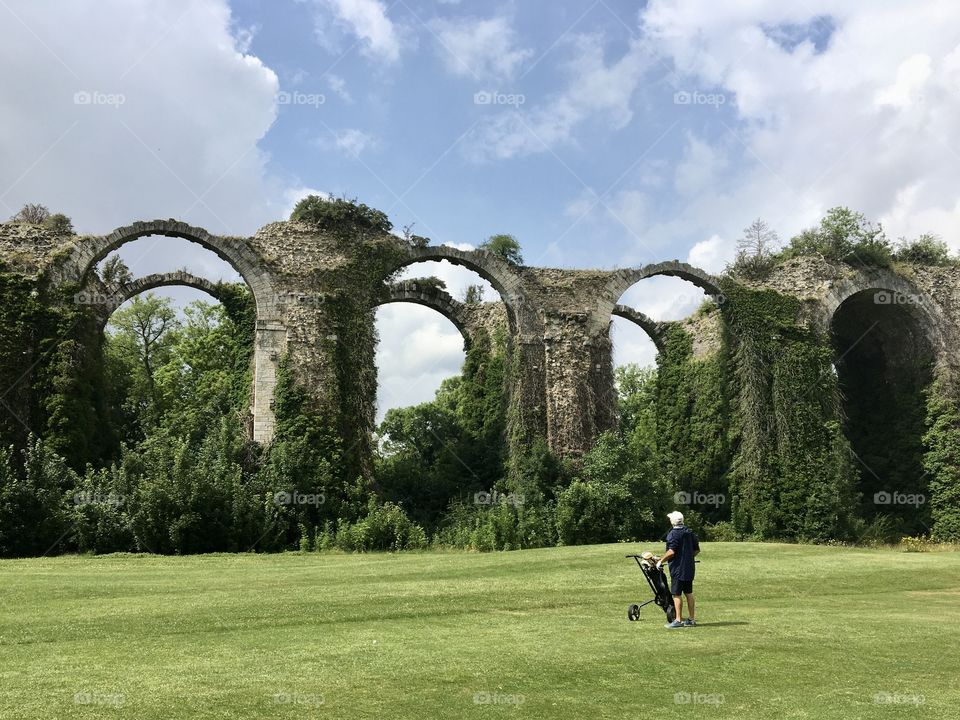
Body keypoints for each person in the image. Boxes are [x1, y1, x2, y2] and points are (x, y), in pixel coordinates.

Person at [657, 510, 700, 629]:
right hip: (689, 568)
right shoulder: (689, 532)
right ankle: (691, 619)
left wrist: (661, 560)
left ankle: (678, 620)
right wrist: (688, 558)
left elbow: (671, 551)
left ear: (672, 521)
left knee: (676, 594)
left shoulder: (673, 534)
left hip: (678, 569)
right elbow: (696, 550)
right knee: (688, 593)